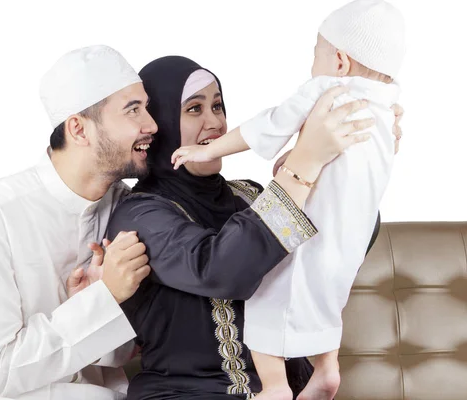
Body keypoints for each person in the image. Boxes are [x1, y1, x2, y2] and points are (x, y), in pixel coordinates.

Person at [105, 55, 396, 400]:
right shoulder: (140, 214)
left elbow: (343, 241)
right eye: (194, 109)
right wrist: (303, 165)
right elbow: (221, 270)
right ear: (161, 123)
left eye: (218, 106)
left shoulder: (249, 194)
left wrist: (354, 161)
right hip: (188, 392)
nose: (215, 123)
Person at [170, 1, 406, 399]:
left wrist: (207, 151)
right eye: (194, 108)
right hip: (352, 232)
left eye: (316, 53)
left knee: (268, 287)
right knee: (326, 297)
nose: (214, 121)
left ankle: (275, 387)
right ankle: (327, 369)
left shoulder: (328, 88)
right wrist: (299, 158)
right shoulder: (386, 106)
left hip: (310, 225)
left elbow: (269, 123)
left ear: (341, 62)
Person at [0, 45, 158, 400]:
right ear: (78, 129)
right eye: (132, 110)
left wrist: (93, 303)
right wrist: (103, 299)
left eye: (146, 108)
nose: (151, 125)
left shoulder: (128, 208)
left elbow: (116, 356)